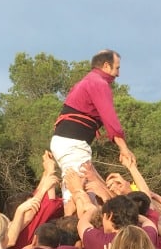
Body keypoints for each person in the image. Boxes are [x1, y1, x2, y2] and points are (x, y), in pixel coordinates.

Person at [50, 49, 135, 198]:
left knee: (82, 190)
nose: (118, 74)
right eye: (117, 68)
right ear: (107, 66)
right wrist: (124, 148)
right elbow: (110, 119)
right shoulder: (98, 83)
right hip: (73, 142)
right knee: (81, 194)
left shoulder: (86, 82)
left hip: (66, 141)